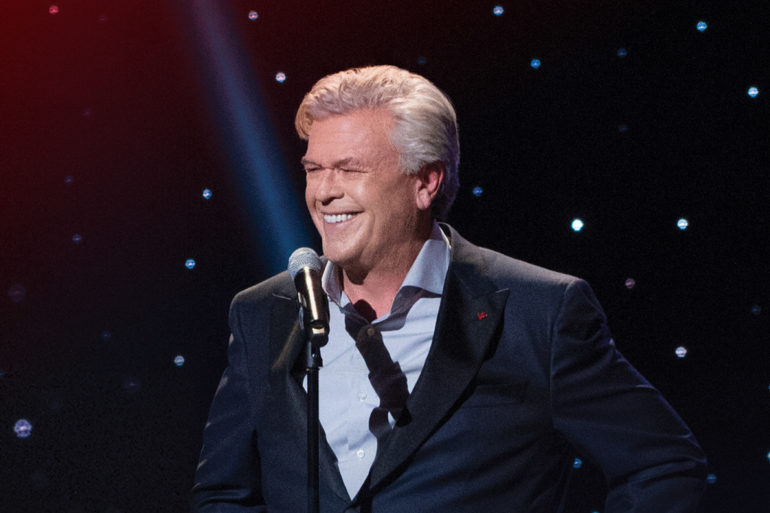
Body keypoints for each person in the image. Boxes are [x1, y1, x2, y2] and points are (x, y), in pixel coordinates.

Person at [191, 65, 706, 512]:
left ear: (426, 182)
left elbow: (663, 465)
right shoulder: (263, 313)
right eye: (314, 169)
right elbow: (224, 493)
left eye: (349, 169)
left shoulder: (539, 312)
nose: (324, 192)